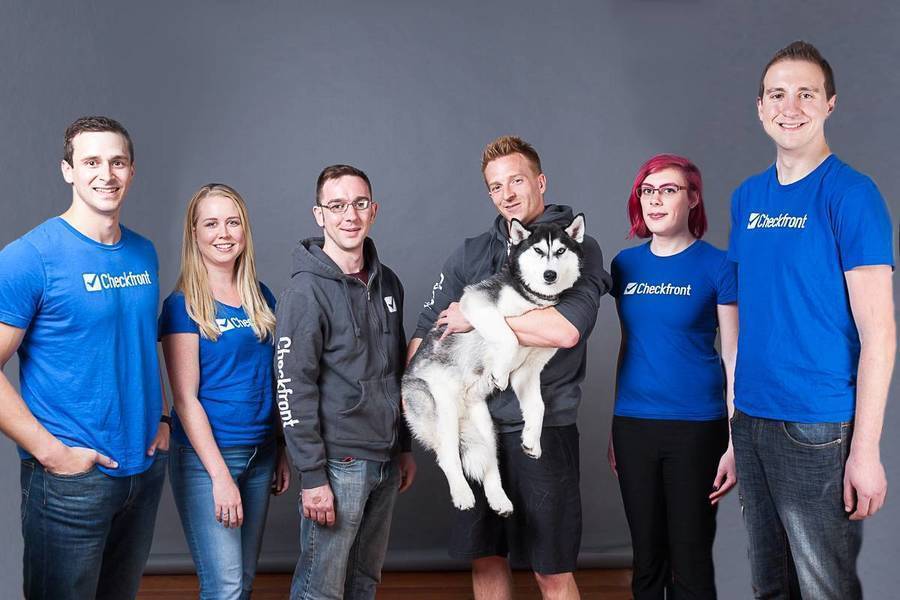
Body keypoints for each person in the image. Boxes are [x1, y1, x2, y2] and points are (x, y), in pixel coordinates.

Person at [409, 136, 611, 600]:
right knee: (487, 558)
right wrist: (416, 397)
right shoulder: (470, 252)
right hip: (471, 424)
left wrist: (476, 315)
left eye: (516, 180)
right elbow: (426, 330)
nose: (507, 194)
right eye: (495, 186)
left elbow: (564, 329)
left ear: (539, 181)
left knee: (551, 569)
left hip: (543, 427)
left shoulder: (578, 247)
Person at [728, 41, 895, 599]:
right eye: (778, 94)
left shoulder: (851, 194)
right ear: (760, 107)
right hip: (751, 420)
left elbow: (880, 333)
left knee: (824, 589)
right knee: (771, 587)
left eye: (806, 93)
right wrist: (732, 428)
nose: (790, 106)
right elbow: (742, 324)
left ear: (830, 105)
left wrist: (865, 450)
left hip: (818, 428)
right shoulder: (746, 198)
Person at [0, 116, 170, 599]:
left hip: (141, 472)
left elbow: (135, 343)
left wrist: (161, 418)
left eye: (117, 162)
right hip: (71, 481)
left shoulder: (143, 252)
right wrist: (51, 453)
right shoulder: (29, 257)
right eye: (91, 161)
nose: (106, 173)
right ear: (67, 170)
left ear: (132, 171)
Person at [275, 164, 417, 600]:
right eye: (336, 206)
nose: (349, 215)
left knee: (364, 583)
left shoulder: (387, 280)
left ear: (373, 210)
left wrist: (405, 447)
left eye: (358, 204)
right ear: (319, 215)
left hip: (385, 459)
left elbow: (397, 370)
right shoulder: (304, 292)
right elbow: (291, 387)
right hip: (339, 465)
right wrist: (313, 476)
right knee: (321, 589)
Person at [606, 154, 738, 599]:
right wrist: (615, 425)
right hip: (634, 425)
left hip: (697, 428)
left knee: (691, 560)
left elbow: (735, 357)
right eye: (647, 190)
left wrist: (735, 443)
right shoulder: (625, 266)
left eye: (668, 190)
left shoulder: (719, 265)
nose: (655, 200)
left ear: (693, 198)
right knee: (646, 560)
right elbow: (629, 346)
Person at [159, 183, 291, 599]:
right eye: (211, 223)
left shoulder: (262, 297)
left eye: (233, 222)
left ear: (245, 231)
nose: (224, 233)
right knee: (226, 587)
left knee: (242, 583)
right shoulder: (182, 305)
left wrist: (282, 447)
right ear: (194, 233)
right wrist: (219, 476)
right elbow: (184, 399)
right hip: (207, 461)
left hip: (260, 454)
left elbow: (272, 378)